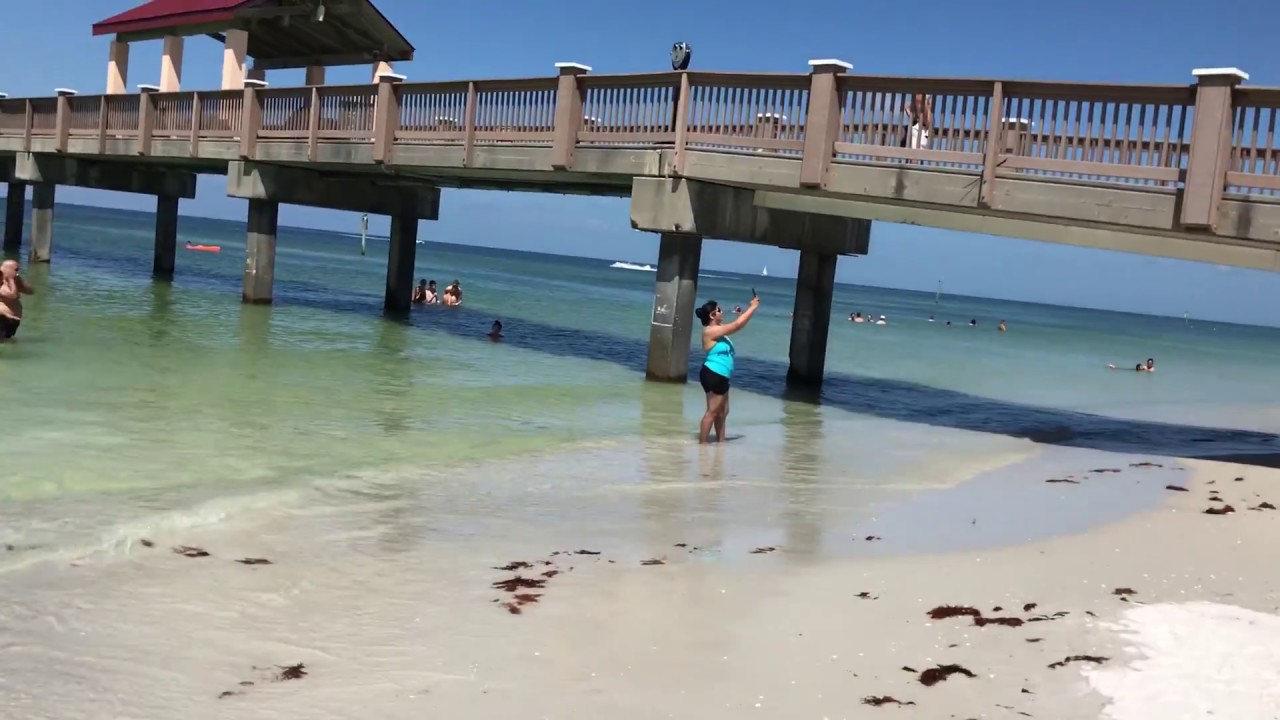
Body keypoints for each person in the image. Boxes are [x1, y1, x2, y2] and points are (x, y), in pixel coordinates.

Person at [694, 294, 759, 444]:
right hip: (713, 373)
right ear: (712, 315)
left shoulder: (719, 331)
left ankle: (720, 443)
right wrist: (753, 307)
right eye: (719, 310)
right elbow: (736, 325)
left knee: (723, 412)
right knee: (712, 411)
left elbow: (738, 325)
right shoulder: (710, 331)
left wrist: (746, 314)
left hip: (722, 375)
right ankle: (702, 445)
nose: (722, 312)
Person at [0, 259, 34, 341]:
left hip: (12, 321)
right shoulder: (2, 284)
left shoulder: (15, 282)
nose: (17, 272)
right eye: (16, 269)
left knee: (6, 342)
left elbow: (31, 291)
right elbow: (13, 295)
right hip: (3, 318)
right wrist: (11, 279)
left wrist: (18, 279)